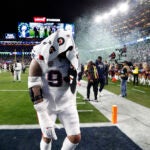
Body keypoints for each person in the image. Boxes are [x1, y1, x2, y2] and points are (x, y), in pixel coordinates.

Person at [28, 30, 81, 150]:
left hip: (67, 102)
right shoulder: (39, 57)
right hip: (47, 104)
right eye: (65, 47)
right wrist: (42, 116)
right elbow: (33, 88)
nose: (68, 50)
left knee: (75, 137)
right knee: (47, 136)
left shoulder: (72, 56)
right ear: (56, 46)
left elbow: (75, 75)